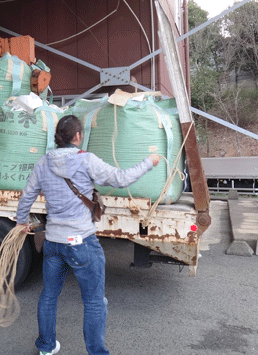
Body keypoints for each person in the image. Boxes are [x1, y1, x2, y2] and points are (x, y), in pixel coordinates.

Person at [16, 115, 160, 355]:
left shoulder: (43, 162)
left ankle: (46, 347)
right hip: (81, 242)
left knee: (49, 296)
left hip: (53, 241)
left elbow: (26, 196)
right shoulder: (86, 161)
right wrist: (149, 161)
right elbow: (121, 178)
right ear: (78, 136)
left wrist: (22, 221)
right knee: (94, 302)